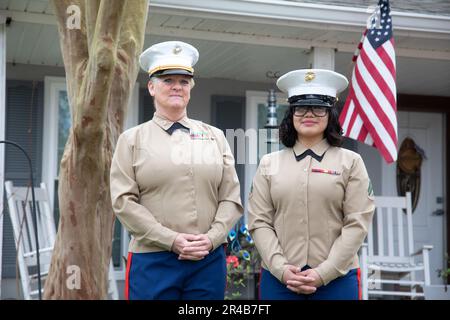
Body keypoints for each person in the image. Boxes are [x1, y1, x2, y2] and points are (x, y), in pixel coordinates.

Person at [110, 41, 243, 300]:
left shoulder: (215, 137)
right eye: (167, 79)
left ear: (191, 88)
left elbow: (230, 197)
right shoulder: (131, 140)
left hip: (208, 260)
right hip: (153, 260)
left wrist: (213, 238)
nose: (176, 86)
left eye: (184, 81)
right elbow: (123, 202)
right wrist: (171, 240)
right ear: (151, 86)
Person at [248, 69, 375, 300]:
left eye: (318, 107)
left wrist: (323, 273)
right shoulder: (268, 164)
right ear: (291, 113)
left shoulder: (352, 162)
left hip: (337, 279)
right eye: (300, 107)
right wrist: (281, 269)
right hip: (279, 281)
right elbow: (259, 222)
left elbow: (357, 223)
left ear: (330, 114)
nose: (309, 114)